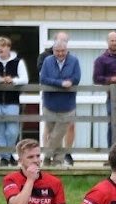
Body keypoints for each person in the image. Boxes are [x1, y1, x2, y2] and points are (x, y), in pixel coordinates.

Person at [0, 36, 29, 167]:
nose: (1, 49)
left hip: (12, 101)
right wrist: (0, 80)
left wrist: (13, 80)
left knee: (12, 131)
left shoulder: (18, 61)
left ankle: (8, 154)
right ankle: (5, 158)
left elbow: (24, 79)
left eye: (3, 46)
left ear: (8, 47)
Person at [40, 39, 81, 167]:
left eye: (63, 51)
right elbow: (43, 78)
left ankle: (46, 157)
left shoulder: (74, 61)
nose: (60, 53)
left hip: (67, 105)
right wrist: (61, 83)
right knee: (52, 133)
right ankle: (57, 161)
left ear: (66, 50)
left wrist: (69, 82)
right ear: (53, 51)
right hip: (50, 104)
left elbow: (76, 78)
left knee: (58, 134)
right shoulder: (47, 61)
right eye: (58, 51)